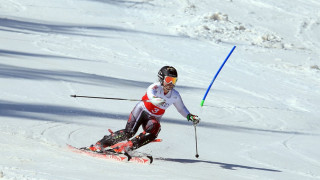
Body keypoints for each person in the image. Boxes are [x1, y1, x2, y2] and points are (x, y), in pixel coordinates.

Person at [88, 66, 200, 153]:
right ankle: (100, 144)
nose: (171, 84)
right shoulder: (155, 87)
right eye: (168, 80)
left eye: (174, 80)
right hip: (141, 111)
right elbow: (150, 94)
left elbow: (181, 109)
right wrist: (155, 100)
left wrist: (190, 116)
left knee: (155, 130)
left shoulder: (175, 95)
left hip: (153, 117)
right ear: (162, 79)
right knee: (129, 132)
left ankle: (126, 147)